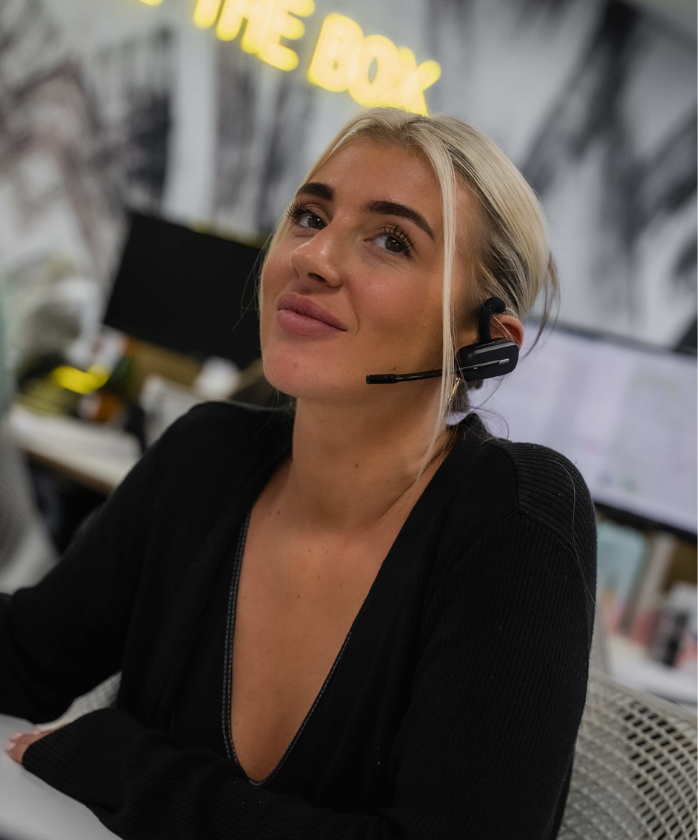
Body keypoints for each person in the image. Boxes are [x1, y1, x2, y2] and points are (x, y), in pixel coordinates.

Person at [2, 107, 597, 839]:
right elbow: (24, 657)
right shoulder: (206, 456)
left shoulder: (517, 520)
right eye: (311, 216)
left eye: (390, 240)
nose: (312, 258)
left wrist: (120, 765)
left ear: (481, 340)